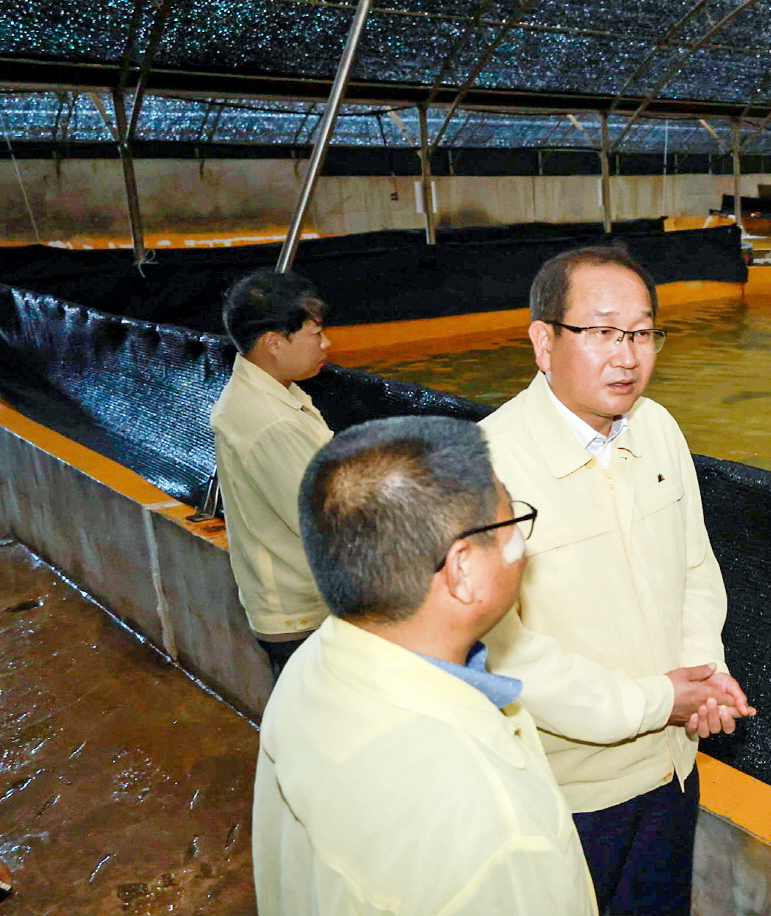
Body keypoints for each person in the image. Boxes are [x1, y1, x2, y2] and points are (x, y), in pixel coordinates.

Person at [479, 245, 753, 915]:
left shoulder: (658, 429)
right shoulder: (487, 465)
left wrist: (703, 672)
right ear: (544, 341)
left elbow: (695, 567)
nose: (627, 355)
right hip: (566, 795)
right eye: (601, 331)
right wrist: (658, 700)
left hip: (672, 771)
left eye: (642, 332)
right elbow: (506, 651)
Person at [253, 415, 596, 915]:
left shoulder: (314, 663)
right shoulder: (492, 829)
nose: (522, 545)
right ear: (461, 570)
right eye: (510, 523)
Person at [211, 269, 334, 677]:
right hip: (304, 617)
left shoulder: (271, 392)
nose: (327, 344)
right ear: (273, 343)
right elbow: (327, 521)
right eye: (315, 336)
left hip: (295, 609)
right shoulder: (271, 423)